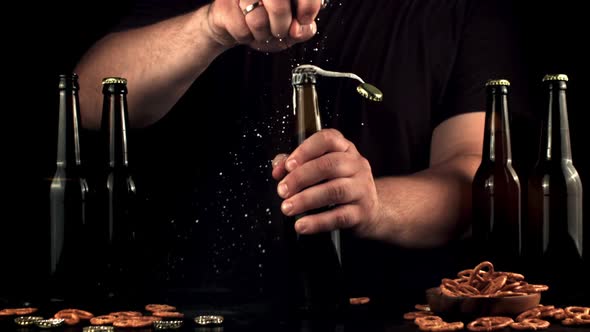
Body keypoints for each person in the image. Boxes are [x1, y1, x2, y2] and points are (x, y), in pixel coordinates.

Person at [74, 0, 529, 314]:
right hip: (188, 305)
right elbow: (89, 101)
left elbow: (475, 179)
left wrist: (372, 205)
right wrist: (211, 24)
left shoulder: (458, 10)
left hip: (379, 312)